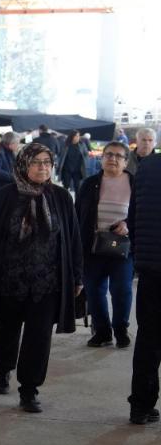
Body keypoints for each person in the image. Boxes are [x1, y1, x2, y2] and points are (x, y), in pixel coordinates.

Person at [0, 143, 81, 413]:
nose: (42, 167)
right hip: (9, 280)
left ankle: (29, 389)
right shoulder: (5, 197)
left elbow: (73, 239)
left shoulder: (61, 198)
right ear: (23, 165)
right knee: (5, 331)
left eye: (47, 162)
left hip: (46, 282)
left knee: (39, 337)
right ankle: (2, 369)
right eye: (36, 162)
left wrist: (77, 276)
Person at [77, 141, 134, 349]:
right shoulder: (89, 183)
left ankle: (121, 329)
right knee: (94, 290)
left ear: (126, 161)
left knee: (122, 289)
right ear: (101, 159)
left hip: (123, 248)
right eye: (108, 154)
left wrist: (128, 224)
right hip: (92, 247)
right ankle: (102, 332)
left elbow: (141, 214)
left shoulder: (134, 183)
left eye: (119, 156)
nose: (113, 159)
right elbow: (78, 215)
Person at [127, 150, 161, 424]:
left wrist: (141, 257)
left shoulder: (147, 167)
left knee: (149, 338)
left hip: (151, 268)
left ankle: (140, 404)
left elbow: (133, 217)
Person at [59, 130, 89, 195]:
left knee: (77, 188)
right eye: (76, 136)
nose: (78, 137)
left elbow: (86, 154)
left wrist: (85, 160)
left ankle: (77, 204)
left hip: (77, 170)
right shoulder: (66, 145)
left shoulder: (82, 145)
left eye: (79, 136)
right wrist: (59, 168)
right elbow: (61, 157)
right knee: (65, 187)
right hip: (67, 169)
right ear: (72, 136)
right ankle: (65, 202)